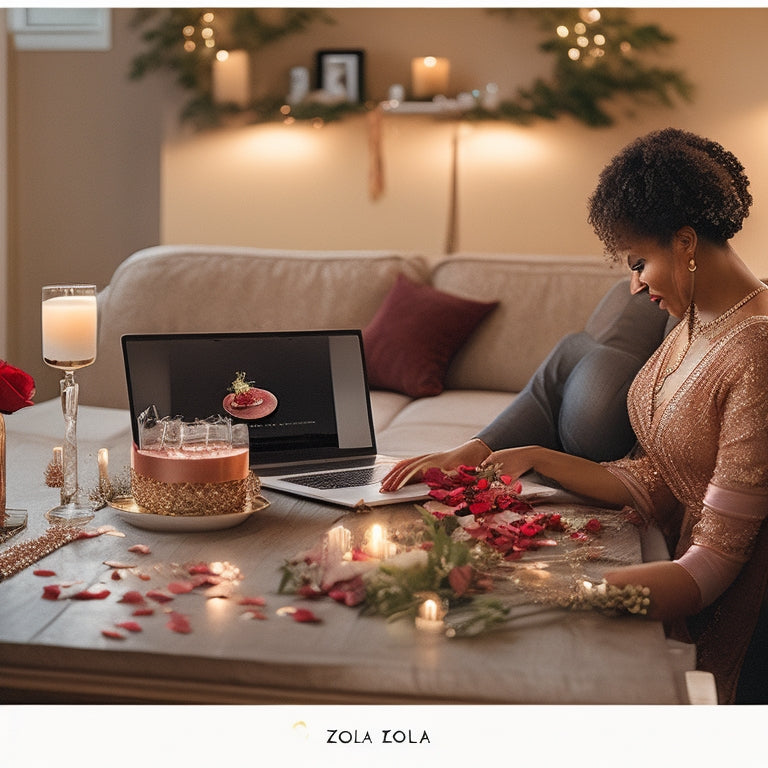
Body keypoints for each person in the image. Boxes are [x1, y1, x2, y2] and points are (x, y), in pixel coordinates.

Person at [382, 128, 768, 704]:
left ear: (686, 241)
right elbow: (658, 477)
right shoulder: (695, 321)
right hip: (657, 553)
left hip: (709, 608)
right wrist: (535, 456)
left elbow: (711, 567)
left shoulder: (754, 354)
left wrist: (551, 590)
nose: (635, 285)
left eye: (640, 262)